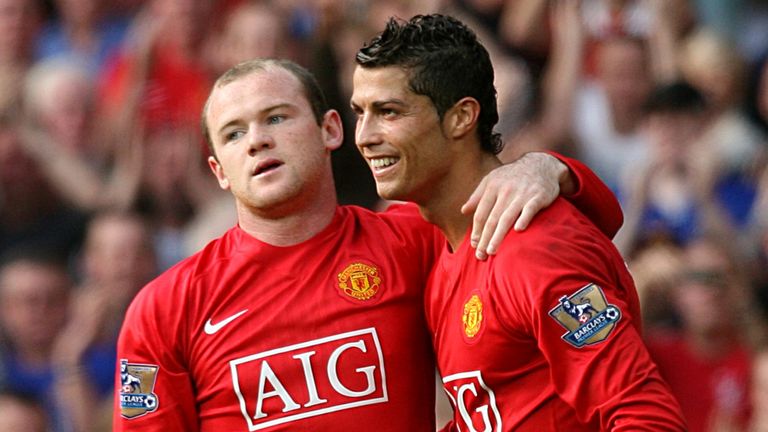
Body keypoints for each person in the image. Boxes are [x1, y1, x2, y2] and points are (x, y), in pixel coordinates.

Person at [114, 57, 622, 430]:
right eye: (232, 134)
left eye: (276, 118)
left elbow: (591, 227)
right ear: (218, 172)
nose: (256, 141)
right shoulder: (163, 309)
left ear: (331, 129)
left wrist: (552, 169)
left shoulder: (411, 239)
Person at [351, 14, 686, 430]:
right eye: (359, 113)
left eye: (388, 112)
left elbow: (645, 414)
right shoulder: (441, 236)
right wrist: (554, 167)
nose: (364, 135)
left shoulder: (535, 250)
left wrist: (549, 167)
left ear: (460, 117)